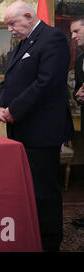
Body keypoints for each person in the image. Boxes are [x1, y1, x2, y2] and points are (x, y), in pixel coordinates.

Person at [0, 1, 74, 251]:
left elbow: (46, 83)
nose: (10, 29)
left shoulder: (53, 39)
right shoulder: (23, 44)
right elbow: (7, 81)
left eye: (12, 23)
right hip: (20, 130)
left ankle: (49, 242)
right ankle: (30, 234)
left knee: (43, 191)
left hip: (41, 131)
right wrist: (1, 106)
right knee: (26, 188)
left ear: (28, 16)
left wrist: (14, 110)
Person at [71, 16, 84, 228]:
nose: (72, 37)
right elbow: (77, 89)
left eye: (76, 32)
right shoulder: (80, 58)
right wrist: (78, 95)